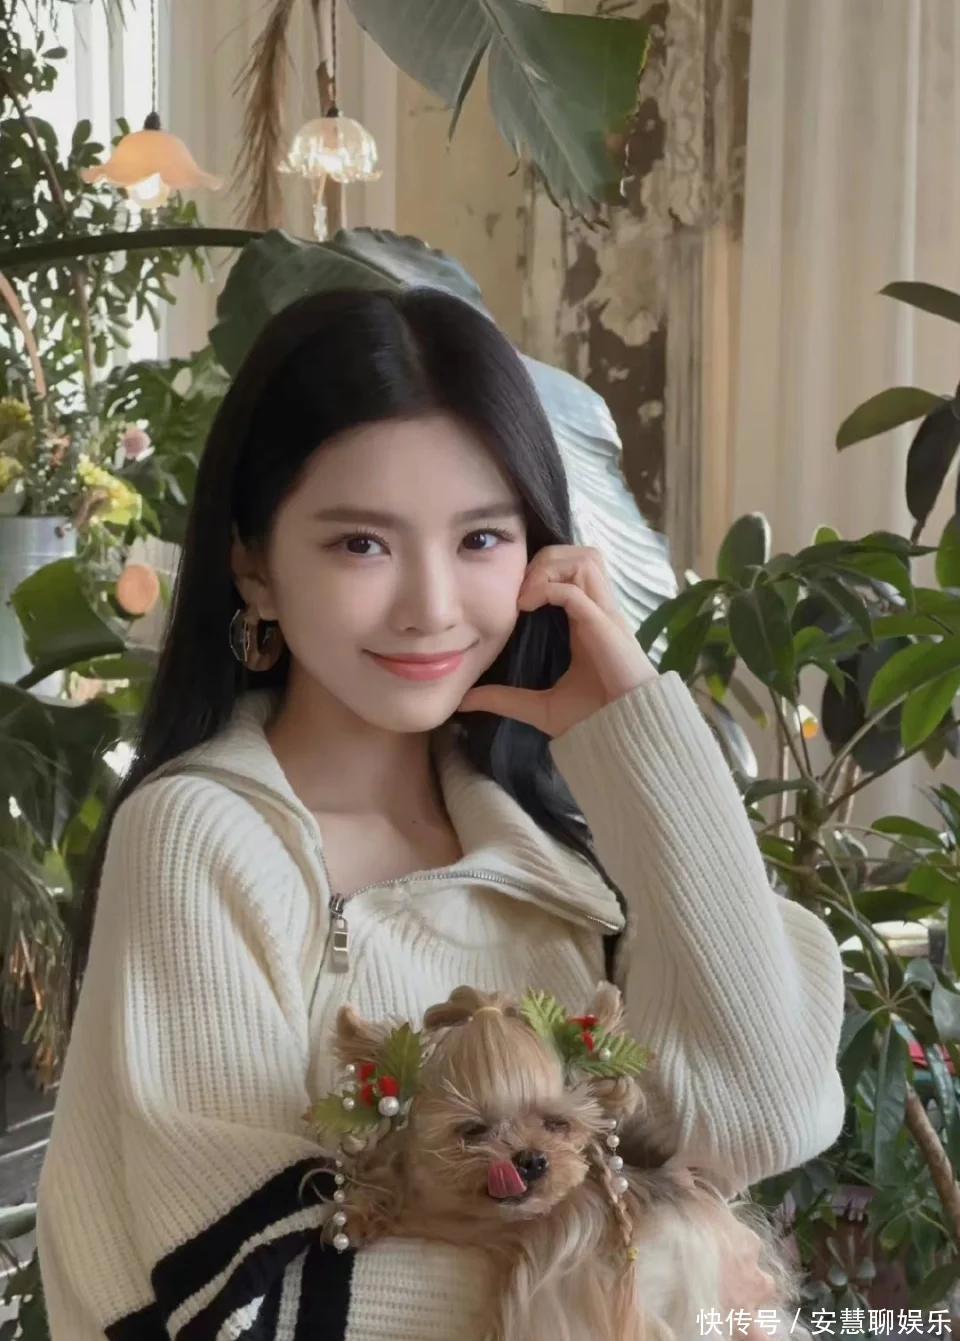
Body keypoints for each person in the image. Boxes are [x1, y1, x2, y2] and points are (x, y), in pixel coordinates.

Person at [35, 287, 846, 1341]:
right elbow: (233, 1297)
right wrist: (651, 1288)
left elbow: (766, 1118)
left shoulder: (565, 860)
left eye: (480, 539)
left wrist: (639, 735)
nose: (431, 605)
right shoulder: (201, 839)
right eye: (360, 545)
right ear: (254, 569)